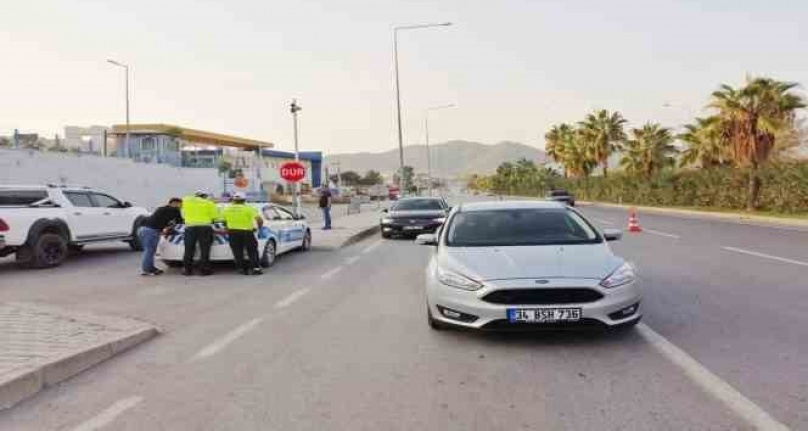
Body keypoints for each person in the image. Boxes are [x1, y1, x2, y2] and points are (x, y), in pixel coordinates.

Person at [138, 197, 182, 276]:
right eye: (180, 205)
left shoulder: (161, 208)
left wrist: (169, 226)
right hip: (151, 231)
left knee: (149, 250)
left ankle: (150, 268)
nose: (180, 206)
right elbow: (180, 221)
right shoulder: (174, 210)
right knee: (149, 251)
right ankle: (147, 270)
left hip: (142, 229)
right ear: (175, 203)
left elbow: (162, 220)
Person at [222, 192, 264, 275]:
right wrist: (259, 228)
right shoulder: (248, 208)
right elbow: (259, 219)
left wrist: (228, 227)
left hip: (233, 232)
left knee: (237, 251)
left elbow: (223, 221)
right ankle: (255, 269)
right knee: (252, 250)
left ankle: (241, 269)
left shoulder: (227, 209)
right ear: (244, 200)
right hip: (247, 232)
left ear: (234, 200)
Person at [181, 190, 218, 276]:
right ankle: (204, 270)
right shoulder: (209, 203)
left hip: (190, 227)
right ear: (204, 196)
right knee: (204, 249)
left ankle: (187, 270)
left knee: (189, 249)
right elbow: (215, 217)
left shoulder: (186, 202)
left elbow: (183, 215)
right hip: (205, 227)